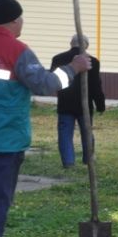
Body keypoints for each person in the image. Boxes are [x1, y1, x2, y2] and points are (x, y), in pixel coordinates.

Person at [0, 0, 91, 237]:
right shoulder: (17, 50)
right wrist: (73, 69)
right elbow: (46, 84)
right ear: (15, 20)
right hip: (5, 138)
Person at [50, 34, 106, 169]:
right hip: (84, 104)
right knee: (87, 132)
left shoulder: (58, 59)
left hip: (65, 103)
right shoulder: (92, 61)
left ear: (71, 43)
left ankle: (68, 162)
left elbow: (53, 81)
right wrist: (100, 105)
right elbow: (95, 86)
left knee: (65, 133)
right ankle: (88, 159)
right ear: (86, 45)